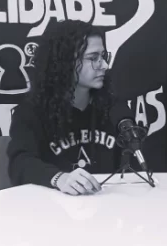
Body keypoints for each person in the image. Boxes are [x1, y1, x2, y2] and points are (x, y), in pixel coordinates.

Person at [8, 20, 117, 195]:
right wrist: (59, 178)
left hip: (107, 205)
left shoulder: (112, 109)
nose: (104, 65)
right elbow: (20, 163)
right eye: (93, 58)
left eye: (103, 56)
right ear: (65, 62)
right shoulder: (31, 111)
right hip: (50, 207)